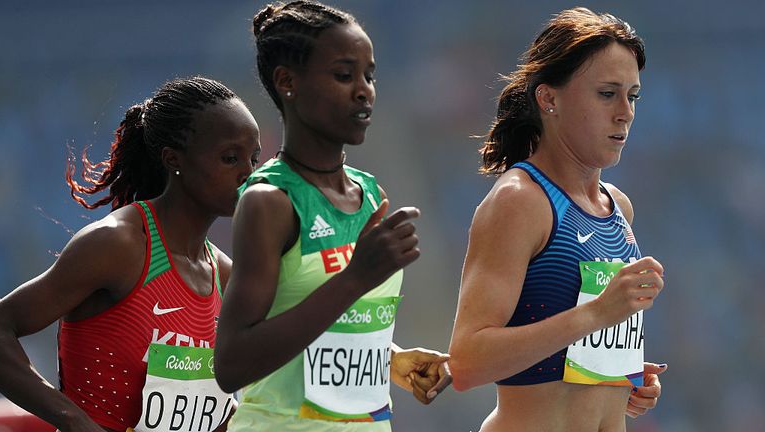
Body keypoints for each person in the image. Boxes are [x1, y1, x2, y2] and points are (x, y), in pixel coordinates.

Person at [213, 1, 451, 431]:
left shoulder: (370, 194)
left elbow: (327, 323)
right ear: (288, 82)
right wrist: (355, 277)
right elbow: (232, 364)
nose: (364, 90)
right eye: (344, 75)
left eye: (369, 75)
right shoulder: (269, 201)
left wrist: (390, 359)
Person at [0, 76, 261, 432]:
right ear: (173, 159)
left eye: (254, 158)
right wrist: (75, 422)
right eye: (231, 159)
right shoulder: (117, 246)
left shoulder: (224, 274)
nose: (249, 174)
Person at [448, 8, 666, 432]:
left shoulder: (618, 206)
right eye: (607, 94)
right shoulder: (520, 201)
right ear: (549, 99)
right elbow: (467, 362)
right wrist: (597, 315)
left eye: (632, 96)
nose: (625, 113)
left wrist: (621, 379)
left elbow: (565, 349)